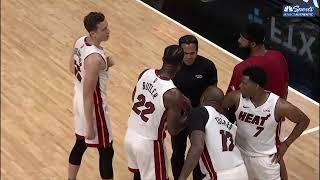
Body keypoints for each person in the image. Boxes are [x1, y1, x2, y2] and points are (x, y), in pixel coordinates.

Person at [222, 66, 310, 180]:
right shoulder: (235, 97)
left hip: (264, 159)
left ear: (257, 86)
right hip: (238, 153)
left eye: (244, 83)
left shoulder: (278, 106)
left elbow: (304, 121)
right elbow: (218, 111)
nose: (240, 86)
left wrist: (286, 144)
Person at [227, 23, 289, 179]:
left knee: (245, 156)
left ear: (252, 44)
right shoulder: (279, 56)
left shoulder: (242, 68)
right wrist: (281, 110)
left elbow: (232, 100)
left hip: (250, 117)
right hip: (274, 115)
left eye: (243, 37)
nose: (239, 39)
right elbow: (286, 86)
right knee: (275, 154)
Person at [124, 45, 190, 180]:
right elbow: (173, 130)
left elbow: (134, 97)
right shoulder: (173, 94)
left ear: (163, 59)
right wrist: (190, 116)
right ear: (180, 65)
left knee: (138, 175)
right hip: (149, 143)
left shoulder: (145, 73)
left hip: (130, 135)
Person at [67, 12, 115, 180]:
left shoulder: (80, 41)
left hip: (77, 98)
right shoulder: (95, 59)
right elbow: (90, 95)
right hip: (93, 108)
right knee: (107, 151)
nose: (108, 31)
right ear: (93, 33)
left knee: (80, 144)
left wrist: (105, 66)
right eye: (104, 29)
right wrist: (90, 125)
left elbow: (72, 69)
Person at [171, 34, 218, 180]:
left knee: (199, 154)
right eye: (185, 53)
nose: (189, 57)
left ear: (197, 51)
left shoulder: (208, 66)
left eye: (193, 53)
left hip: (200, 118)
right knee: (178, 153)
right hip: (179, 116)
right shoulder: (173, 67)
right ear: (180, 51)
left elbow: (212, 94)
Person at [178, 86, 248, 180]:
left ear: (202, 98)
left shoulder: (200, 112)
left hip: (221, 175)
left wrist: (181, 177)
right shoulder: (228, 122)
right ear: (221, 104)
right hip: (242, 171)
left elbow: (197, 147)